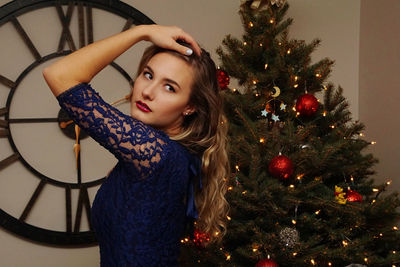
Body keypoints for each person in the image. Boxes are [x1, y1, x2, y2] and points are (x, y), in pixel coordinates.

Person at [43, 24, 229, 266]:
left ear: (190, 106)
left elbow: (60, 75)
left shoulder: (158, 153)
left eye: (169, 87)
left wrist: (140, 32)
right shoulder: (169, 155)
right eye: (148, 75)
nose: (148, 91)